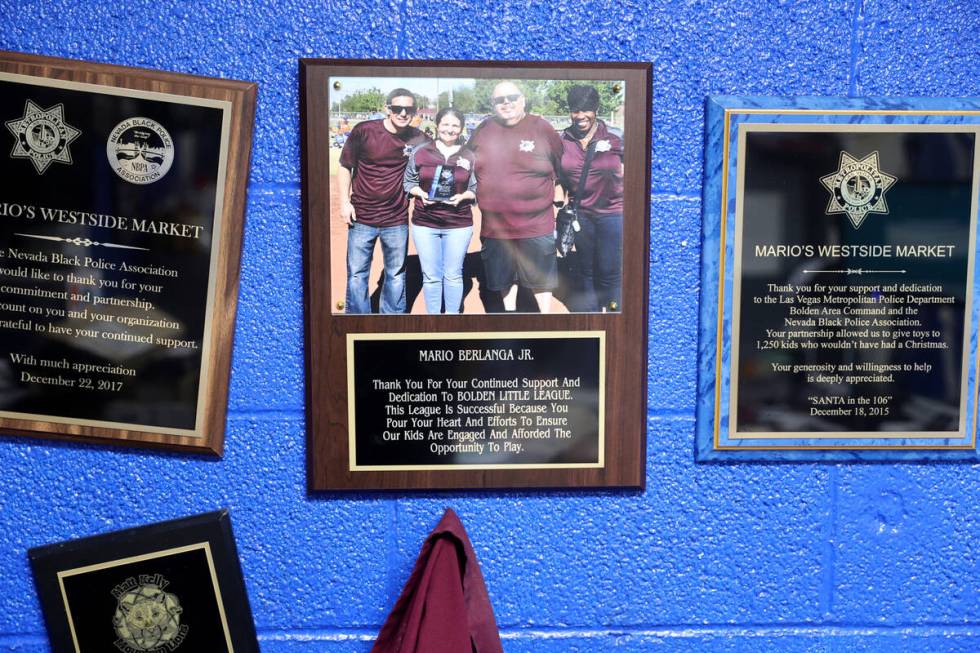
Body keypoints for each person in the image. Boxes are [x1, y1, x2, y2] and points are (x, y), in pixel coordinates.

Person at [466, 81, 563, 313]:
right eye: (499, 100)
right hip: (496, 227)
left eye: (511, 97)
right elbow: (466, 163)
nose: (506, 103)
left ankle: (545, 322)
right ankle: (511, 317)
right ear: (493, 104)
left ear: (523, 99)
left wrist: (559, 190)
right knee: (503, 279)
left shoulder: (541, 127)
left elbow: (561, 162)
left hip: (536, 225)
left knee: (541, 280)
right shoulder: (483, 129)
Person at [337, 88, 429, 313]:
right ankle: (358, 321)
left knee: (396, 275)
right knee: (357, 275)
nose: (403, 113)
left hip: (396, 218)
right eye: (397, 108)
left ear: (415, 111)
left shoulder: (419, 138)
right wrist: (344, 202)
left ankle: (391, 322)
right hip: (362, 217)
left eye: (408, 109)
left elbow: (440, 158)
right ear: (387, 109)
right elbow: (345, 166)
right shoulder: (364, 131)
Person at [403, 107, 477, 313]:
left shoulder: (469, 155)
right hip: (425, 223)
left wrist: (463, 197)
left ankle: (451, 319)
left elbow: (475, 188)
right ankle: (434, 320)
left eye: (455, 125)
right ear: (437, 125)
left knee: (453, 274)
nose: (450, 129)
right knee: (431, 276)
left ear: (461, 128)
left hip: (458, 223)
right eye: (445, 124)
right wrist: (420, 193)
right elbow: (408, 182)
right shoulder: (421, 151)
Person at [559, 85, 624, 312]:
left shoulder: (616, 139)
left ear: (595, 109)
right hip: (581, 215)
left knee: (609, 270)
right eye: (575, 110)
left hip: (613, 214)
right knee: (585, 269)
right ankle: (592, 318)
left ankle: (615, 317)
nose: (580, 116)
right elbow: (556, 176)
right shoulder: (562, 141)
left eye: (586, 109)